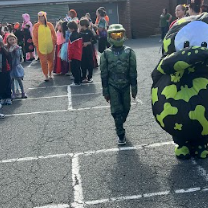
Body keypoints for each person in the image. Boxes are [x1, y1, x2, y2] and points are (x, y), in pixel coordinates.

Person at [100, 24, 137, 145]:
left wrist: (134, 87)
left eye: (119, 34)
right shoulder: (105, 54)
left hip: (126, 84)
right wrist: (105, 90)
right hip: (113, 85)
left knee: (126, 108)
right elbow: (104, 74)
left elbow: (133, 71)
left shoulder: (129, 52)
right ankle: (120, 133)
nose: (117, 37)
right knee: (116, 111)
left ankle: (120, 121)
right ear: (110, 37)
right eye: (114, 35)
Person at [33, 11, 57, 81]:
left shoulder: (49, 25)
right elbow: (34, 37)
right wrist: (36, 44)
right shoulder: (36, 26)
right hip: (41, 47)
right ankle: (46, 75)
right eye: (40, 17)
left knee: (51, 60)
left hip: (50, 46)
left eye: (42, 17)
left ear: (45, 17)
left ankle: (50, 73)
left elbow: (54, 34)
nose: (41, 18)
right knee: (43, 62)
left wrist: (54, 42)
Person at [7, 34, 27, 99]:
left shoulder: (17, 47)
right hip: (11, 66)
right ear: (8, 41)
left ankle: (23, 92)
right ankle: (14, 93)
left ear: (15, 40)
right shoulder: (7, 48)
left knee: (19, 79)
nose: (12, 41)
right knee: (11, 80)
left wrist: (15, 49)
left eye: (13, 39)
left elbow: (18, 56)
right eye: (10, 40)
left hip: (16, 65)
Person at [79, 18, 97, 83]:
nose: (80, 26)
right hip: (82, 50)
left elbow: (95, 41)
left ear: (84, 25)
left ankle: (90, 77)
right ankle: (84, 76)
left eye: (80, 25)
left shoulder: (89, 32)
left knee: (90, 63)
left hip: (89, 49)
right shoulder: (80, 32)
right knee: (83, 63)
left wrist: (88, 43)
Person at [67, 21, 82, 86]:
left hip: (74, 55)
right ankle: (79, 79)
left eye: (69, 28)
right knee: (78, 68)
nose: (68, 29)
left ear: (72, 28)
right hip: (79, 54)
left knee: (74, 69)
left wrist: (69, 57)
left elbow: (71, 48)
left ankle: (76, 81)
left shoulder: (72, 36)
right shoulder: (79, 34)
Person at [0, 35, 12, 105]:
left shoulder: (4, 49)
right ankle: (2, 98)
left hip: (5, 69)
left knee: (7, 83)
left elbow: (9, 56)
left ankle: (8, 97)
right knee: (1, 85)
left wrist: (3, 47)